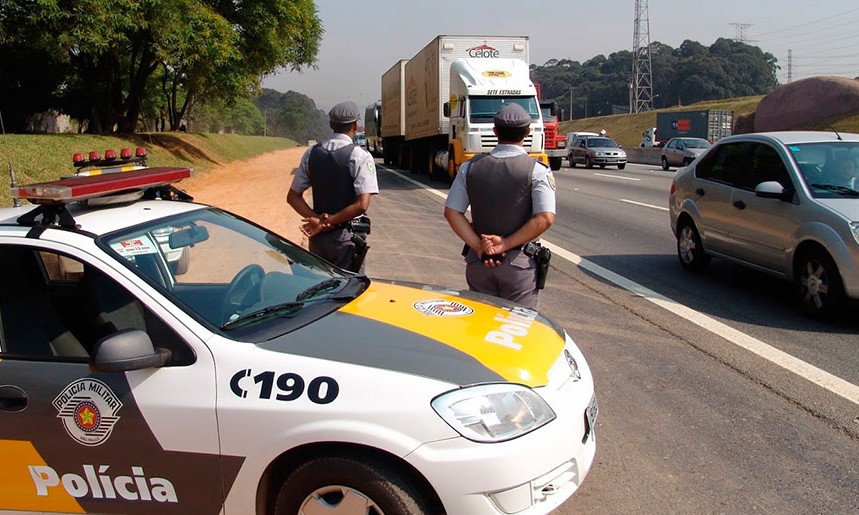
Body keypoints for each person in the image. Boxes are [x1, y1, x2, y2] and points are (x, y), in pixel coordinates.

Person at [443, 103, 556, 309]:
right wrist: (504, 245)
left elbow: (452, 212)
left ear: (495, 132)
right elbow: (544, 218)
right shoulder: (537, 171)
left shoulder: (470, 167)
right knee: (518, 330)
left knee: (480, 326)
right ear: (528, 132)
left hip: (479, 263)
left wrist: (479, 246)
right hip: (519, 265)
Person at [287, 101, 378, 272]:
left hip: (318, 239)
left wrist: (317, 220)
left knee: (321, 287)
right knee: (348, 290)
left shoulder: (312, 153)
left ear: (331, 125)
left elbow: (293, 197)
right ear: (356, 125)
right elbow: (362, 204)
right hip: (347, 238)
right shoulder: (360, 156)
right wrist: (330, 222)